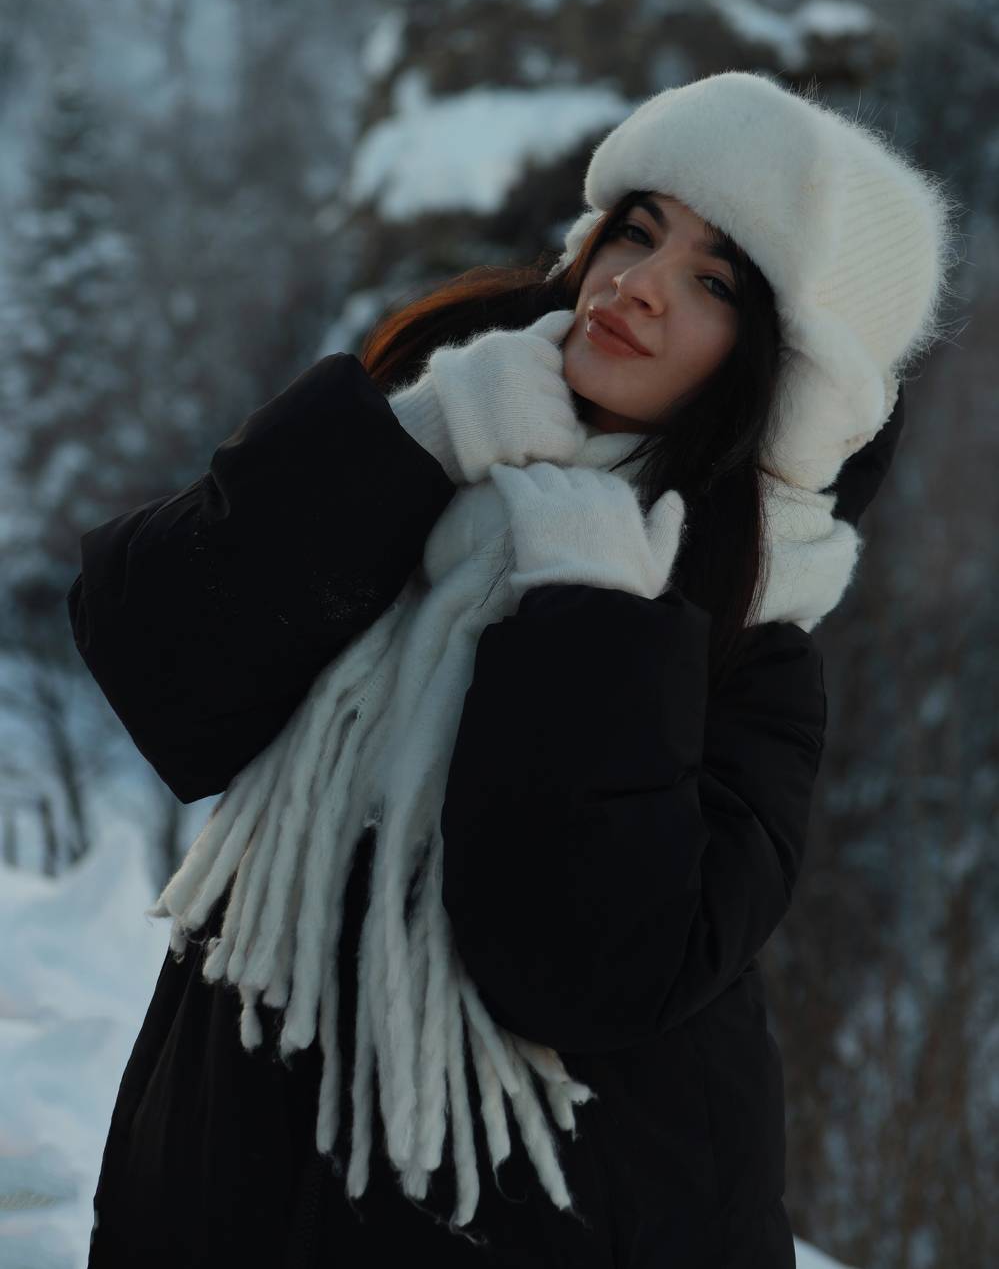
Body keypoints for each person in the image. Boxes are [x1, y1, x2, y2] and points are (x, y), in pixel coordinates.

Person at [68, 70, 961, 1268]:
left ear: (788, 377)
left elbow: (584, 971)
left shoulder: (754, 662)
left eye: (714, 283)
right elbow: (154, 658)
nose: (637, 285)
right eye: (637, 232)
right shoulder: (424, 473)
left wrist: (590, 615)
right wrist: (419, 441)